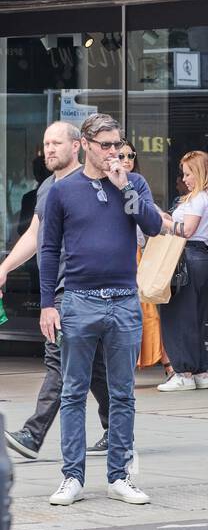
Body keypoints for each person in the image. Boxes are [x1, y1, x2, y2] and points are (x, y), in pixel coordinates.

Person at [39, 113, 163, 506]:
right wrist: (47, 304)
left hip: (124, 299)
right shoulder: (63, 190)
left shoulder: (133, 183)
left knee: (123, 394)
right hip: (78, 299)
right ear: (87, 145)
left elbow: (153, 225)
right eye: (106, 146)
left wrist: (124, 186)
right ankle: (71, 476)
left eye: (119, 147)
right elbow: (48, 250)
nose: (114, 153)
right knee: (73, 392)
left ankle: (120, 476)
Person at [1, 122, 110, 461]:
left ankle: (33, 434)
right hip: (61, 285)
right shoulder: (48, 186)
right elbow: (35, 234)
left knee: (59, 356)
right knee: (90, 364)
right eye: (46, 143)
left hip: (83, 286)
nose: (49, 149)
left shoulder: (93, 184)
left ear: (76, 145)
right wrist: (4, 268)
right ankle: (118, 426)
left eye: (56, 143)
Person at [157, 151, 208, 393]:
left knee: (177, 316)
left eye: (188, 174)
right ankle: (200, 372)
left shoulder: (197, 199)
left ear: (199, 173)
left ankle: (183, 372)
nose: (184, 179)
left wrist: (162, 221)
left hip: (186, 257)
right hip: (202, 259)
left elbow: (186, 230)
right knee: (195, 317)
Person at [124, 140, 172, 380]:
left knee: (147, 311)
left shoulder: (137, 187)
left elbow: (155, 217)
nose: (126, 161)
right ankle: (166, 363)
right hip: (119, 259)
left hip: (137, 257)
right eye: (121, 156)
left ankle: (167, 362)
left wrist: (174, 225)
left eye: (130, 156)